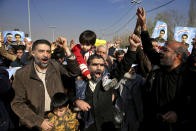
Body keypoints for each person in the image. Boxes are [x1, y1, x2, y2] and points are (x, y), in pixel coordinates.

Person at [137, 7, 193, 131]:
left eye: (165, 50)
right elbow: (148, 48)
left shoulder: (189, 77)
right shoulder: (161, 65)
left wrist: (179, 115)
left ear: (177, 56)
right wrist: (143, 25)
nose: (161, 52)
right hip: (152, 124)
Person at [74, 33, 141, 131]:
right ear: (88, 66)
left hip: (107, 125)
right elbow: (70, 93)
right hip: (88, 125)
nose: (99, 68)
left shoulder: (108, 79)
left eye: (101, 65)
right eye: (95, 64)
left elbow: (124, 66)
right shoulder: (81, 80)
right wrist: (77, 101)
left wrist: (133, 48)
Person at [11, 37, 80, 130]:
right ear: (32, 53)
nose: (46, 55)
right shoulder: (22, 74)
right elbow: (17, 103)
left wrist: (66, 49)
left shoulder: (54, 65)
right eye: (41, 51)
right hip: (36, 121)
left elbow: (74, 72)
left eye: (48, 51)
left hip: (59, 116)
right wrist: (38, 121)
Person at [115, 65, 145, 131]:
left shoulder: (139, 78)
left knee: (134, 127)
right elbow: (114, 87)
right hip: (122, 108)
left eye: (133, 68)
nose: (132, 69)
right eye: (130, 67)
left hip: (134, 109)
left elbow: (147, 86)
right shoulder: (121, 78)